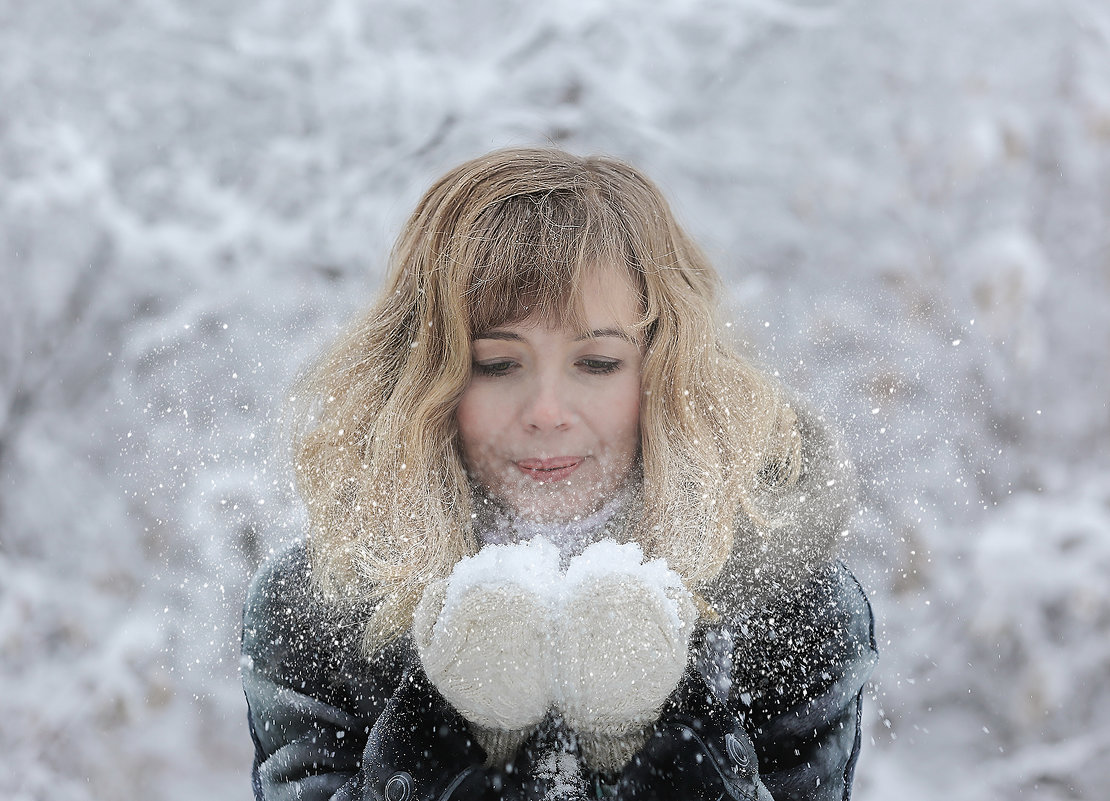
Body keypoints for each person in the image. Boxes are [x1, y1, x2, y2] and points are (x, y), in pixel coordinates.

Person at [240, 148, 878, 801]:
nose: (546, 412)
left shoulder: (788, 604)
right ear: (426, 375)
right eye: (496, 364)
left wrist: (647, 736)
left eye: (597, 362)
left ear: (665, 370)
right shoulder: (321, 609)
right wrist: (458, 732)